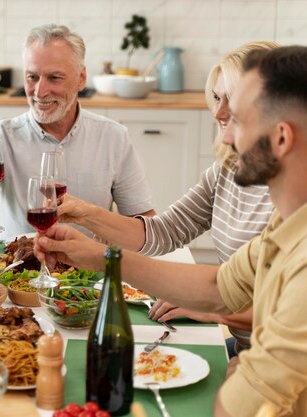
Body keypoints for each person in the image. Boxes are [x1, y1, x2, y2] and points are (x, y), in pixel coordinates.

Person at [34, 45, 307, 417]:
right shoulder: (287, 223)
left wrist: (239, 370)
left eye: (239, 119)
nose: (224, 134)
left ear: (280, 138)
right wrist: (101, 257)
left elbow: (241, 404)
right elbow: (219, 288)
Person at [57, 41, 278, 355]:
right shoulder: (227, 170)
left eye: (233, 100)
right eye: (216, 97)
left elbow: (288, 312)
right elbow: (164, 231)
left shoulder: (291, 194)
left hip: (279, 361)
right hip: (247, 349)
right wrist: (87, 214)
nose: (218, 112)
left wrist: (209, 309)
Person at [0, 24, 155, 238]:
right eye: (32, 77)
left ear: (81, 78)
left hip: (90, 267)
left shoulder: (114, 137)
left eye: (55, 78)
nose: (40, 92)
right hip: (14, 267)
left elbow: (144, 221)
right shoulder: (0, 135)